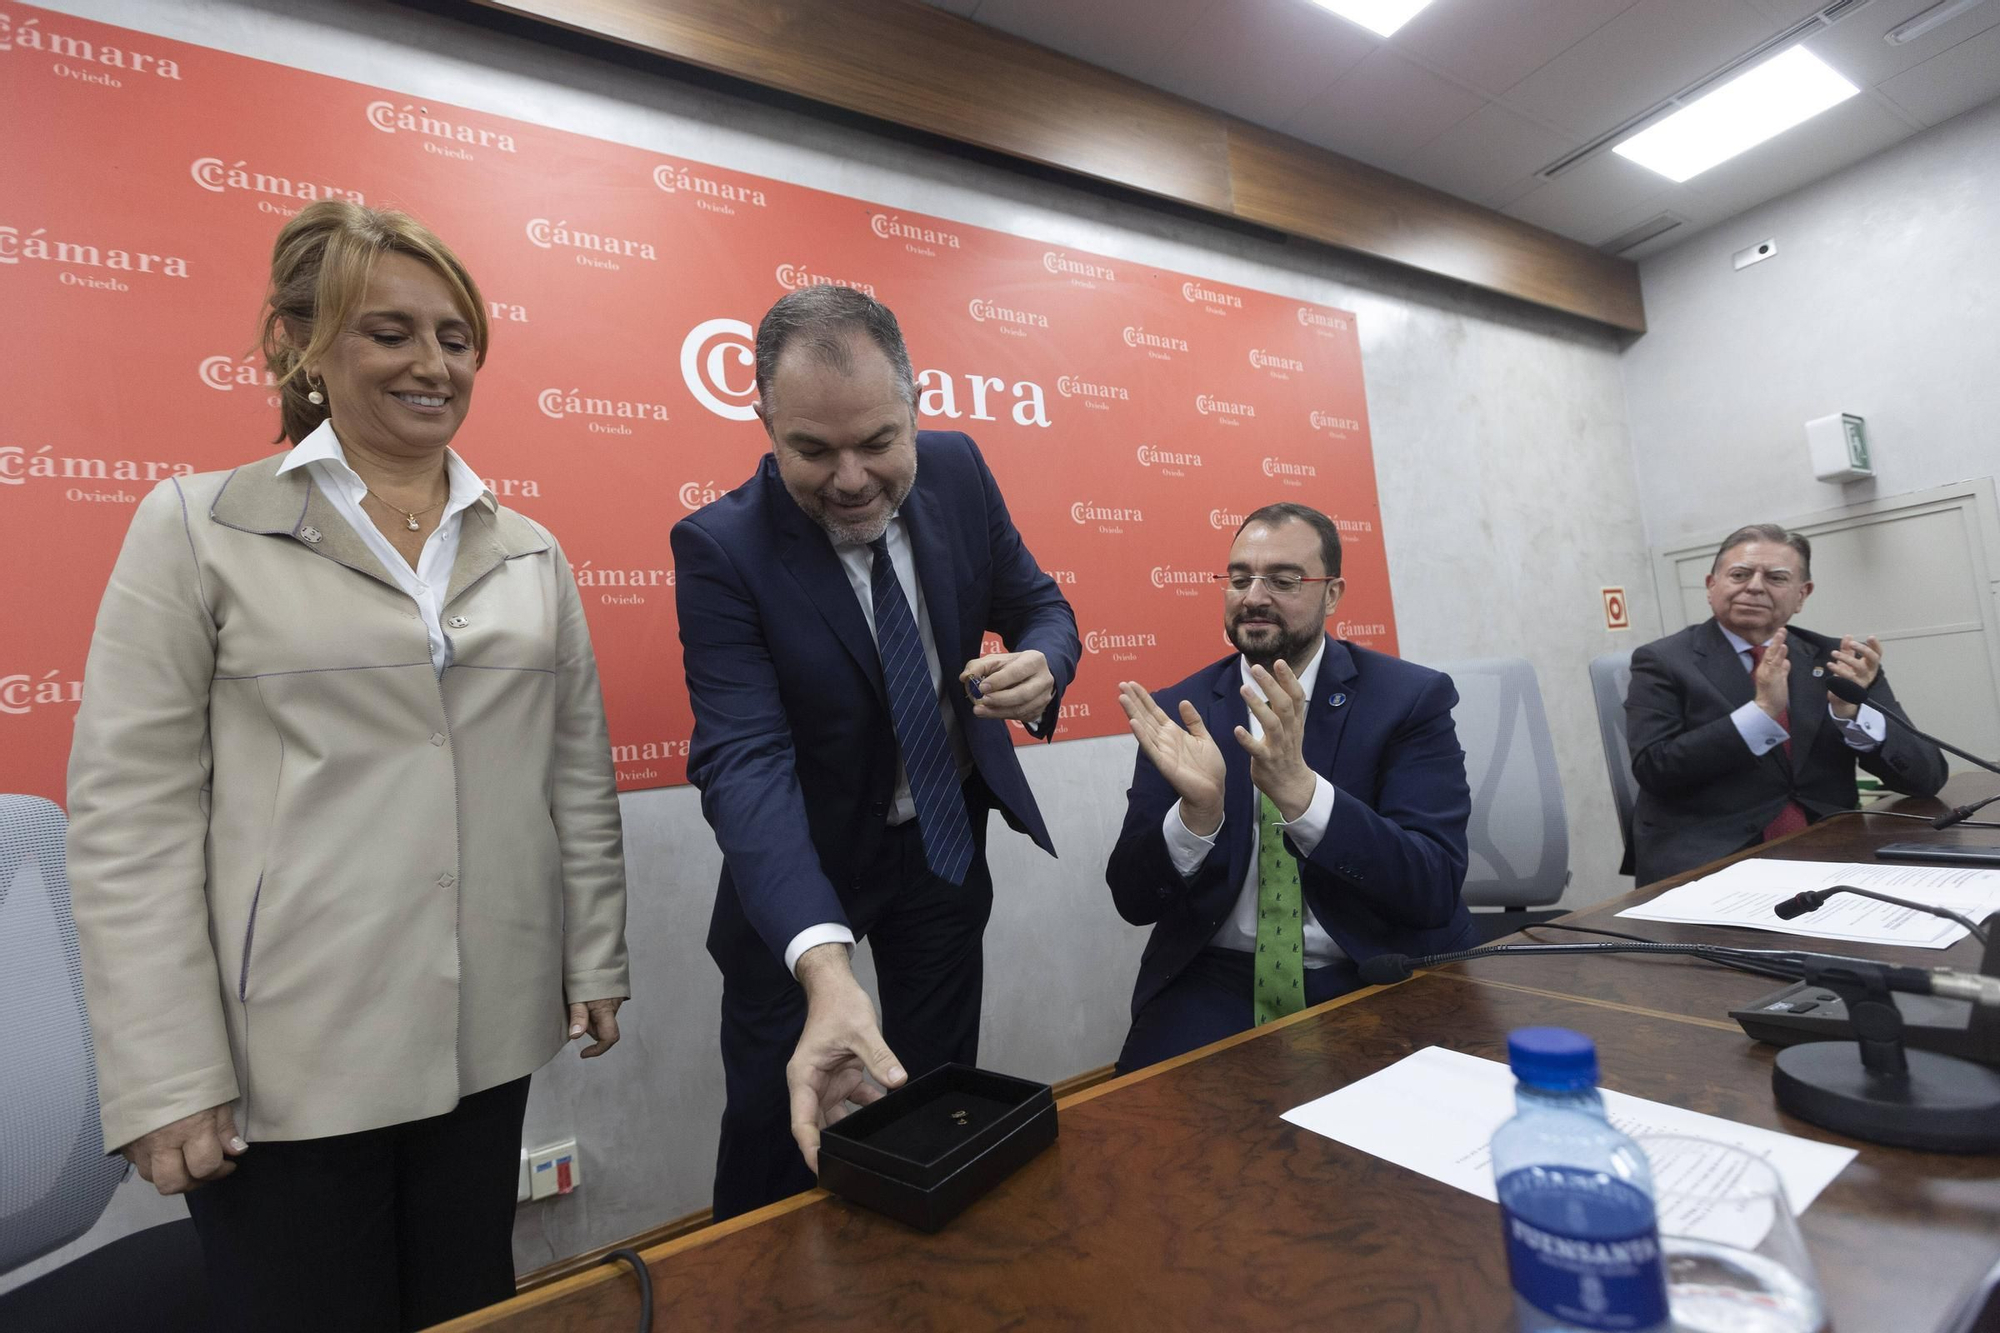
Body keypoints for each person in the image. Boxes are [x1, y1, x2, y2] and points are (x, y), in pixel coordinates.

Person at [65, 201, 630, 1333]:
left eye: (455, 337)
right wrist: (166, 1073)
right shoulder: (196, 528)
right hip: (286, 1058)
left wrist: (595, 953)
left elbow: (575, 773)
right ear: (299, 344)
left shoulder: (527, 550)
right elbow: (132, 820)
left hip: (485, 1032)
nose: (432, 363)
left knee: (470, 1304)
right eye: (390, 332)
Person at [671, 284, 1079, 1219]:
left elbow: (1040, 604)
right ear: (766, 424)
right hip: (801, 883)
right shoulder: (720, 549)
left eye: (878, 442)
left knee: (939, 1100)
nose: (852, 478)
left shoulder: (960, 469)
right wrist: (821, 961)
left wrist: (1043, 664)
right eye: (813, 450)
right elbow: (744, 760)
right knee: (787, 1128)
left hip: (941, 847)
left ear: (917, 407)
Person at [1105, 503, 1474, 1073]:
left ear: (1332, 594)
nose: (1254, 596)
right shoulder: (1183, 710)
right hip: (1215, 977)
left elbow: (1432, 886)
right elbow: (1132, 900)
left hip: (1371, 970)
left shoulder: (1408, 700)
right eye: (1239, 578)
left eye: (1283, 580)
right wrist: (1195, 818)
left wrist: (1306, 797)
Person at [1625, 523, 1947, 884]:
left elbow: (1927, 778)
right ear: (1711, 586)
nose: (1755, 586)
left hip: (1831, 848)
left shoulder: (1839, 661)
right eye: (1740, 574)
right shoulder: (1663, 661)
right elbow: (1655, 769)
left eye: (1776, 578)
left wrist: (1852, 714)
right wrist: (1761, 713)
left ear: (1802, 594)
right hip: (1711, 855)